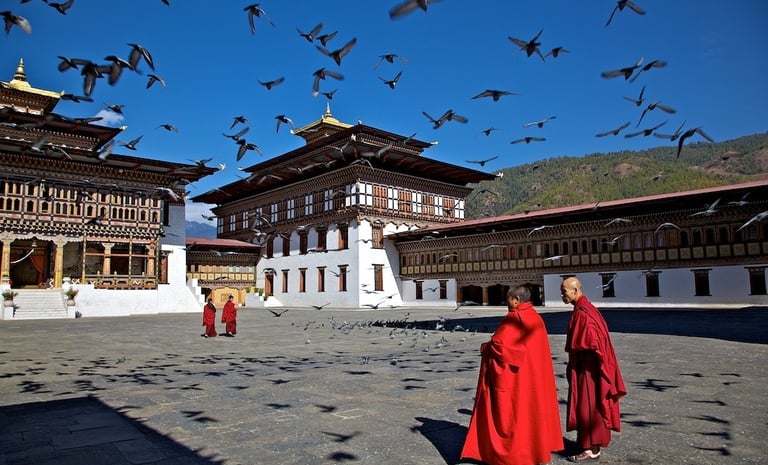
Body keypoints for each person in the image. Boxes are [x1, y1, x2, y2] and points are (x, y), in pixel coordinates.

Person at [460, 285, 564, 465]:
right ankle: (534, 450)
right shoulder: (536, 318)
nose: (506, 303)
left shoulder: (513, 318)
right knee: (531, 415)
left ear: (516, 299)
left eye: (508, 299)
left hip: (516, 381)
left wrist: (486, 348)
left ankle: (511, 456)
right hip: (533, 379)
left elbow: (499, 348)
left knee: (513, 417)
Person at [560, 277, 627, 462]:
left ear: (575, 290)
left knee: (589, 406)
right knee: (587, 406)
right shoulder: (584, 308)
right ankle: (587, 442)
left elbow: (592, 341)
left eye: (564, 291)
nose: (561, 295)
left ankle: (592, 447)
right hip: (586, 366)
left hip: (589, 369)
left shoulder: (584, 313)